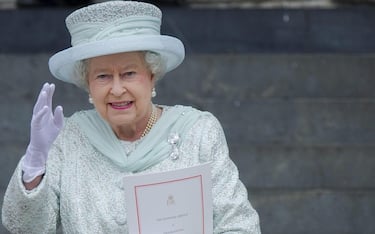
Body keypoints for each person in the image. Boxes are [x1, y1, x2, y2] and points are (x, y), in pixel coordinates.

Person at [2, 1, 261, 233]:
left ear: (151, 76)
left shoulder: (198, 131)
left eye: (128, 74)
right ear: (88, 85)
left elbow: (239, 224)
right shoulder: (68, 139)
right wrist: (35, 163)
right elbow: (25, 228)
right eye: (103, 76)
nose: (116, 89)